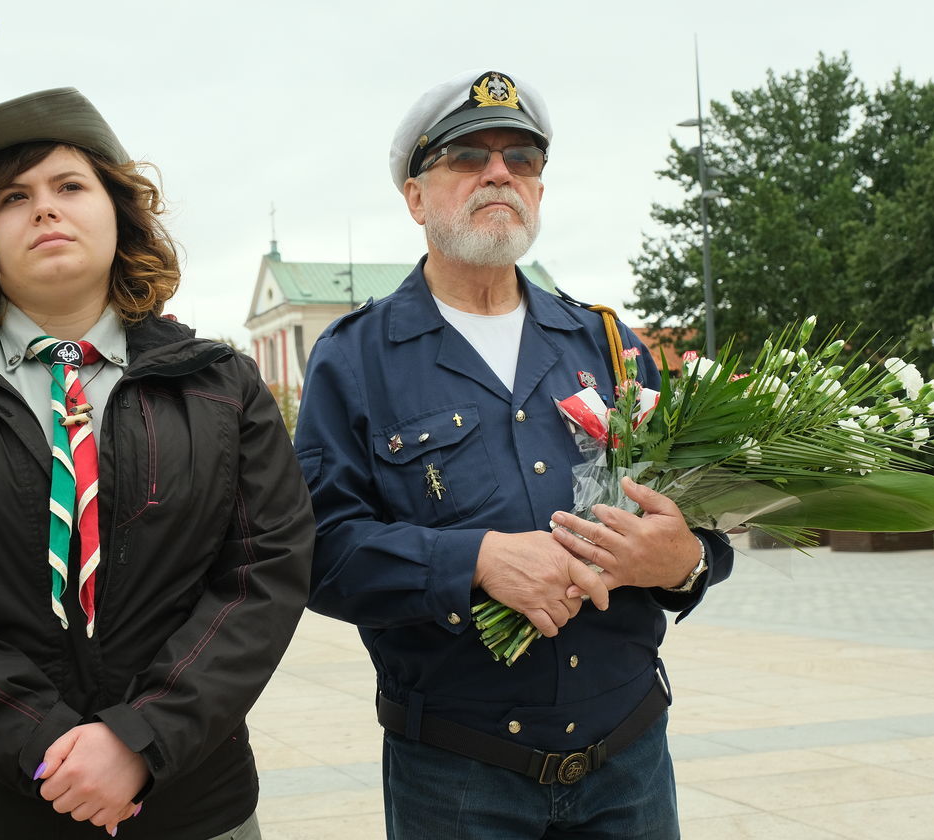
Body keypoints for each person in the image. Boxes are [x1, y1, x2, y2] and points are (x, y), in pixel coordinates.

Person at [0, 88, 314, 840]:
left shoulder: (218, 384)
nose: (45, 209)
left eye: (69, 186)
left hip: (184, 807)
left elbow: (263, 573)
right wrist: (35, 738)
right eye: (14, 197)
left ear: (118, 212)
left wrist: (140, 737)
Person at [294, 70, 734, 839]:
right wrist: (475, 561)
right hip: (459, 779)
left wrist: (683, 561)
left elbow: (698, 520)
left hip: (629, 761)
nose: (500, 173)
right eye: (468, 156)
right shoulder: (356, 358)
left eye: (522, 159)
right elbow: (318, 553)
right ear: (415, 198)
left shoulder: (607, 344)